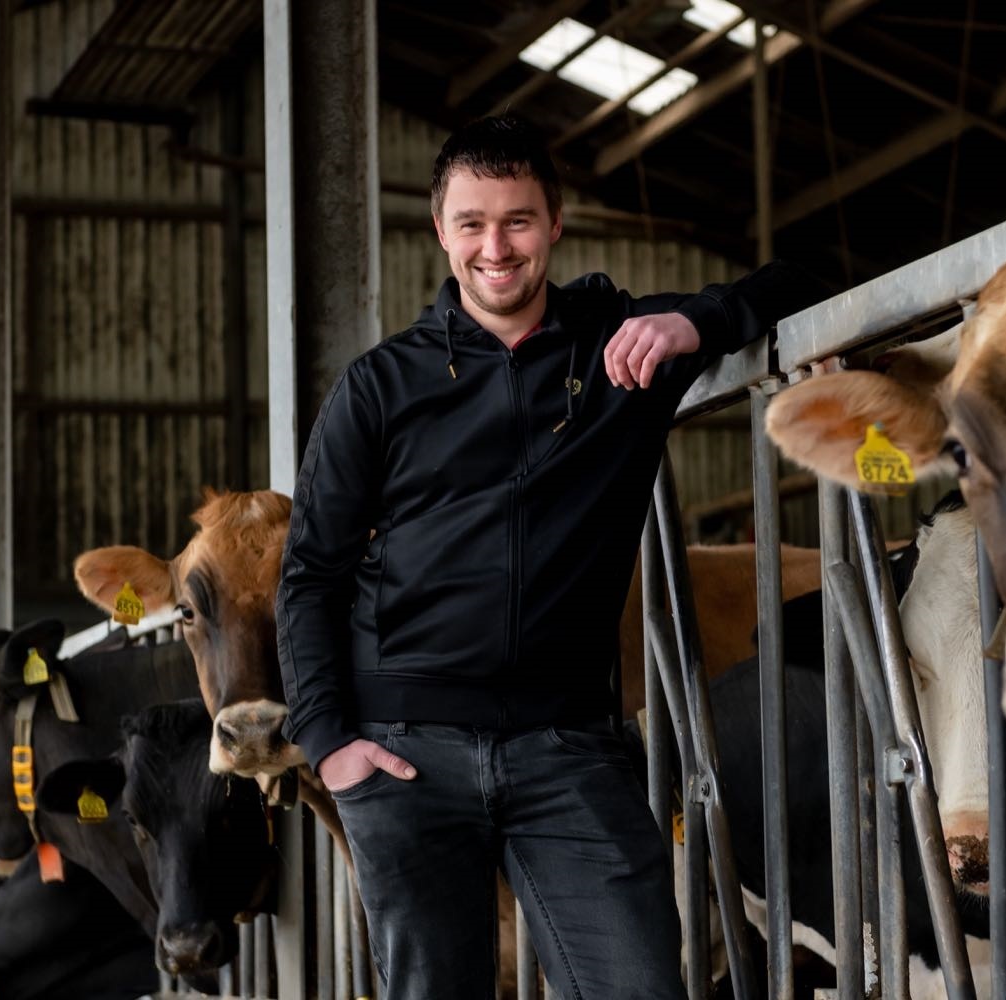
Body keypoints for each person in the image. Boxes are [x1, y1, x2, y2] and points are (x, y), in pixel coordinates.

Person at [275, 113, 824, 1000]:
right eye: (472, 224)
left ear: (556, 223)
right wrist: (329, 739)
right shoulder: (379, 386)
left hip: (567, 747)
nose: (496, 248)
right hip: (407, 755)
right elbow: (310, 575)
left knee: (641, 984)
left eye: (518, 221)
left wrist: (694, 322)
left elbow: (800, 284)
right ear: (441, 232)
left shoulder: (620, 351)